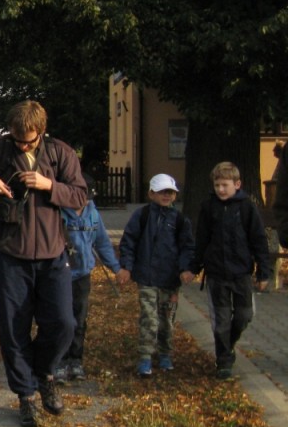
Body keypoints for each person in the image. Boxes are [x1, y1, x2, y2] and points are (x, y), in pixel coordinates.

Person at [0, 100, 85, 427]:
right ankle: (26, 396)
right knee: (12, 329)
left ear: (42, 132)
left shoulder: (60, 153)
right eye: (17, 138)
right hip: (11, 255)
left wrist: (50, 185)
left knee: (64, 323)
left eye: (29, 140)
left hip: (52, 255)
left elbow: (80, 196)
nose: (22, 144)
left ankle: (44, 374)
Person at [186, 162, 270, 380]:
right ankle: (223, 361)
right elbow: (202, 240)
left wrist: (263, 272)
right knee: (221, 320)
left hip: (241, 273)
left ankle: (228, 344)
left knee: (244, 315)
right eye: (217, 185)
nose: (220, 190)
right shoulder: (209, 207)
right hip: (216, 275)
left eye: (225, 185)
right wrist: (193, 268)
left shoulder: (247, 208)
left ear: (237, 184)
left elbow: (258, 240)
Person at [116, 173, 195, 378]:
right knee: (149, 319)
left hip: (170, 280)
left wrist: (186, 268)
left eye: (170, 192)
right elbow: (129, 242)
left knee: (166, 319)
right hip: (147, 278)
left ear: (175, 195)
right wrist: (127, 266)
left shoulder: (179, 220)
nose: (166, 195)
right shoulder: (141, 216)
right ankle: (145, 357)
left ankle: (165, 353)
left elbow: (187, 247)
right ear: (151, 194)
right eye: (161, 192)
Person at [54, 176, 122, 382]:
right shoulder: (57, 213)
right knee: (61, 319)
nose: (81, 201)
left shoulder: (92, 213)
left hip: (82, 275)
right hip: (60, 275)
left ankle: (76, 360)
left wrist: (116, 267)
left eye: (85, 196)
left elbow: (101, 242)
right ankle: (59, 361)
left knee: (79, 319)